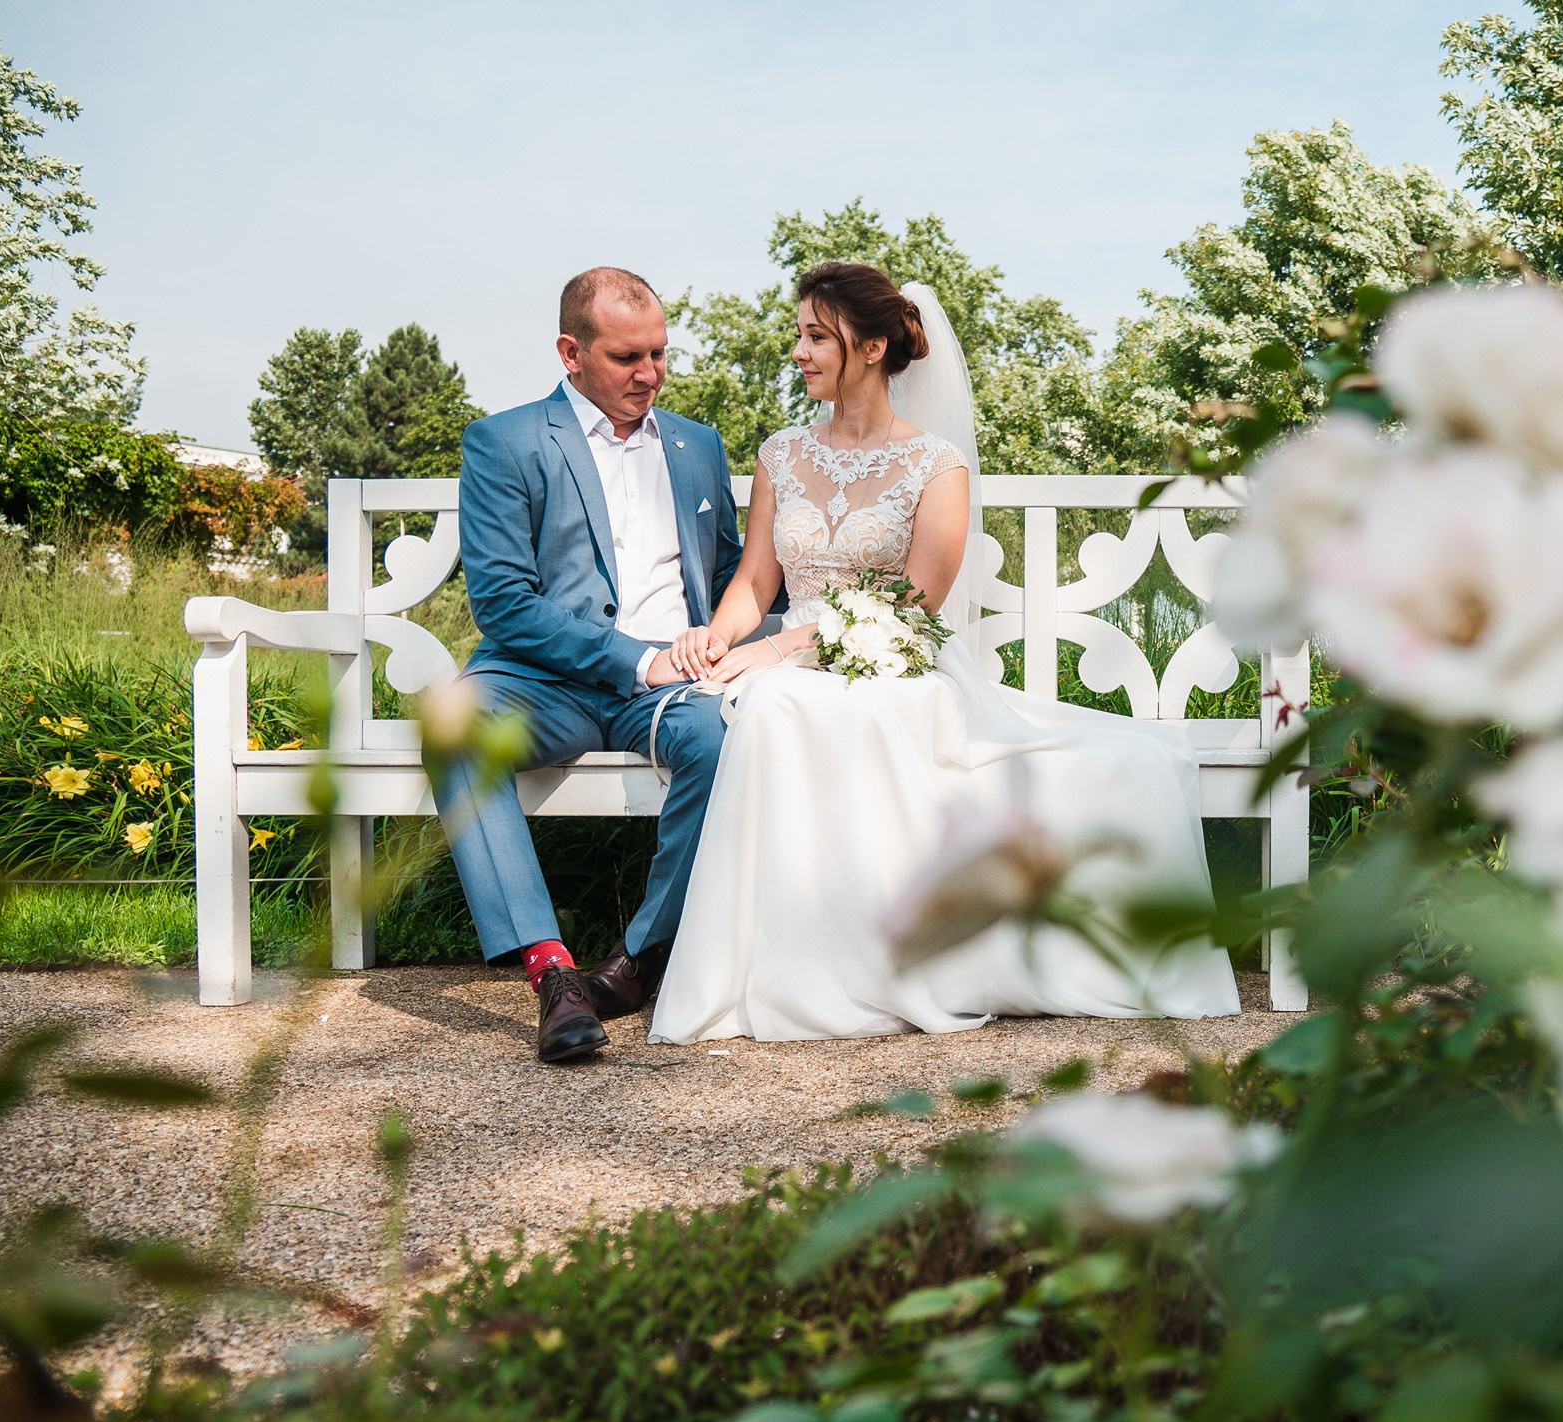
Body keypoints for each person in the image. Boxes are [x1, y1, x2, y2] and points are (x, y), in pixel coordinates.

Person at [642, 262, 1240, 1041]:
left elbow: (918, 600)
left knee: (804, 701)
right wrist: (717, 639)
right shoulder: (780, 455)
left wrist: (794, 643)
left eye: (816, 336)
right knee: (770, 700)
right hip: (790, 653)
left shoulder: (935, 464)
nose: (799, 352)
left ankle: (876, 964)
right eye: (800, 335)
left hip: (893, 655)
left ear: (873, 346)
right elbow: (756, 578)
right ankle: (780, 967)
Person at [440, 266, 752, 1062]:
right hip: (542, 682)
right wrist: (636, 659)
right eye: (626, 358)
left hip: (674, 688)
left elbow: (730, 582)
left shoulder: (697, 446)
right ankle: (553, 975)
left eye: (659, 355)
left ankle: (638, 960)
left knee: (726, 742)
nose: (649, 374)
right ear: (570, 352)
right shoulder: (503, 441)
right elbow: (505, 604)